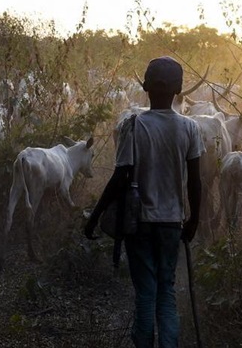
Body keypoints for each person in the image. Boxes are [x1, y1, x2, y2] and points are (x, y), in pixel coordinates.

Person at [84, 56, 204, 348]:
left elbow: (119, 177)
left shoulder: (133, 126)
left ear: (145, 88)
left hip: (139, 225)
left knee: (146, 294)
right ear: (179, 91)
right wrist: (193, 221)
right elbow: (196, 181)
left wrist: (95, 216)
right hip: (170, 225)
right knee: (167, 291)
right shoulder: (190, 129)